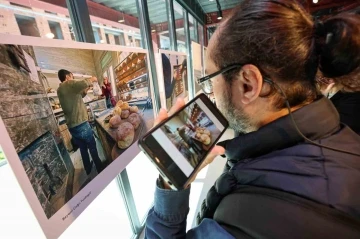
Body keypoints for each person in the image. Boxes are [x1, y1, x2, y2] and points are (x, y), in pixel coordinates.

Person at [145, 1, 360, 238]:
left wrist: (170, 187)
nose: (210, 93)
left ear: (248, 83)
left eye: (210, 79)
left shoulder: (245, 223)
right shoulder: (346, 139)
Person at [57, 69, 103, 175]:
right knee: (92, 145)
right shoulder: (69, 83)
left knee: (83, 148)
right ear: (67, 76)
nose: (73, 79)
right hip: (81, 124)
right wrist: (93, 79)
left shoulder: (60, 89)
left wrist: (86, 89)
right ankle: (100, 167)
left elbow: (79, 95)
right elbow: (83, 82)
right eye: (72, 76)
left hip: (72, 126)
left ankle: (87, 168)